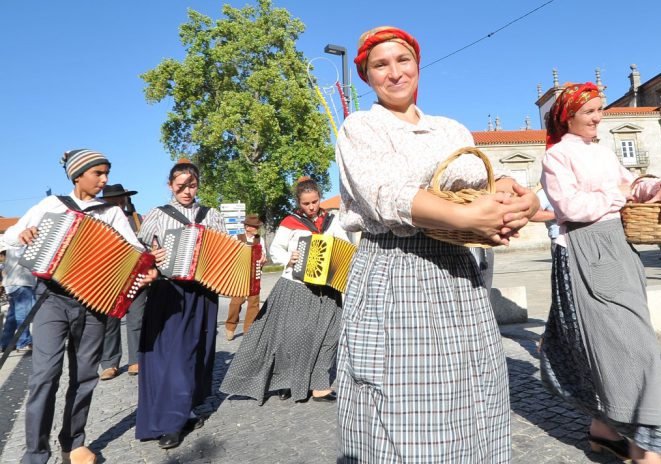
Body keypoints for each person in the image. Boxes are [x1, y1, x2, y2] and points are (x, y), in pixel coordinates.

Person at [334, 26, 538, 462]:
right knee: (401, 394)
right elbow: (385, 192)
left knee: (469, 389)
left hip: (456, 269)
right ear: (367, 77)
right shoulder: (361, 126)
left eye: (402, 60)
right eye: (380, 65)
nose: (394, 73)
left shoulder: (450, 129)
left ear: (417, 65)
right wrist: (464, 215)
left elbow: (482, 178)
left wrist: (520, 193)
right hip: (395, 267)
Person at [539, 82, 661, 464]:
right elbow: (568, 207)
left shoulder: (601, 150)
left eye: (600, 110)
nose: (598, 118)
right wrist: (617, 194)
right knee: (631, 348)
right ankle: (644, 448)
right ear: (568, 116)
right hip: (586, 249)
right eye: (590, 112)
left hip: (619, 247)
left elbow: (632, 185)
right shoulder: (556, 156)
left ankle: (604, 431)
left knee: (627, 343)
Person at [4, 149, 158, 464]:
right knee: (44, 375)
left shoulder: (112, 214)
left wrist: (147, 269)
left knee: (85, 375)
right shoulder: (52, 206)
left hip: (94, 304)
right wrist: (23, 234)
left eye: (106, 173)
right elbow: (6, 238)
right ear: (78, 176)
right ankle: (35, 452)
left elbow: (134, 252)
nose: (104, 180)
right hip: (52, 299)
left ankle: (74, 442)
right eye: (98, 173)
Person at [223, 177, 349, 404]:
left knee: (330, 335)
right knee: (293, 335)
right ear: (298, 203)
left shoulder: (333, 220)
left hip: (328, 287)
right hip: (297, 285)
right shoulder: (291, 222)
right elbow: (276, 248)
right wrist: (288, 258)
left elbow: (344, 245)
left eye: (315, 201)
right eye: (306, 203)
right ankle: (285, 381)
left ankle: (320, 384)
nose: (311, 207)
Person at [135, 159, 226, 450]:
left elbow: (225, 248)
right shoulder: (157, 215)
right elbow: (138, 251)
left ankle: (186, 410)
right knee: (172, 356)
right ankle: (172, 420)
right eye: (180, 186)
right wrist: (154, 255)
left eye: (192, 185)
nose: (187, 191)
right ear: (170, 186)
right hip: (168, 291)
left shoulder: (210, 214)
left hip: (202, 291)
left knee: (195, 353)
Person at [99, 183, 147, 380]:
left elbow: (147, 246)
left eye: (122, 199)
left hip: (135, 277)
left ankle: (136, 359)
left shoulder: (137, 219)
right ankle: (110, 363)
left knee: (137, 319)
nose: (119, 203)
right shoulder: (99, 222)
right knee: (109, 323)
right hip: (108, 279)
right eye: (114, 200)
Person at [225, 214, 267, 340]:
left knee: (254, 303)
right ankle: (230, 326)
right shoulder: (236, 238)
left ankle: (249, 330)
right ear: (247, 227)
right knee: (236, 302)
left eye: (257, 226)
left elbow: (263, 255)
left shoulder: (260, 239)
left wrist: (263, 260)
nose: (257, 229)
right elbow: (228, 255)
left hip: (254, 275)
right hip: (239, 275)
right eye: (255, 227)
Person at [0, 242, 36, 353]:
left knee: (12, 316)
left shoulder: (11, 243)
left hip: (11, 284)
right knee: (22, 315)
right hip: (22, 282)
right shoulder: (24, 243)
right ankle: (23, 341)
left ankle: (5, 343)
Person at [531, 187, 560, 254]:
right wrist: (558, 215)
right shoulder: (545, 193)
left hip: (581, 235)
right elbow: (532, 214)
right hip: (560, 238)